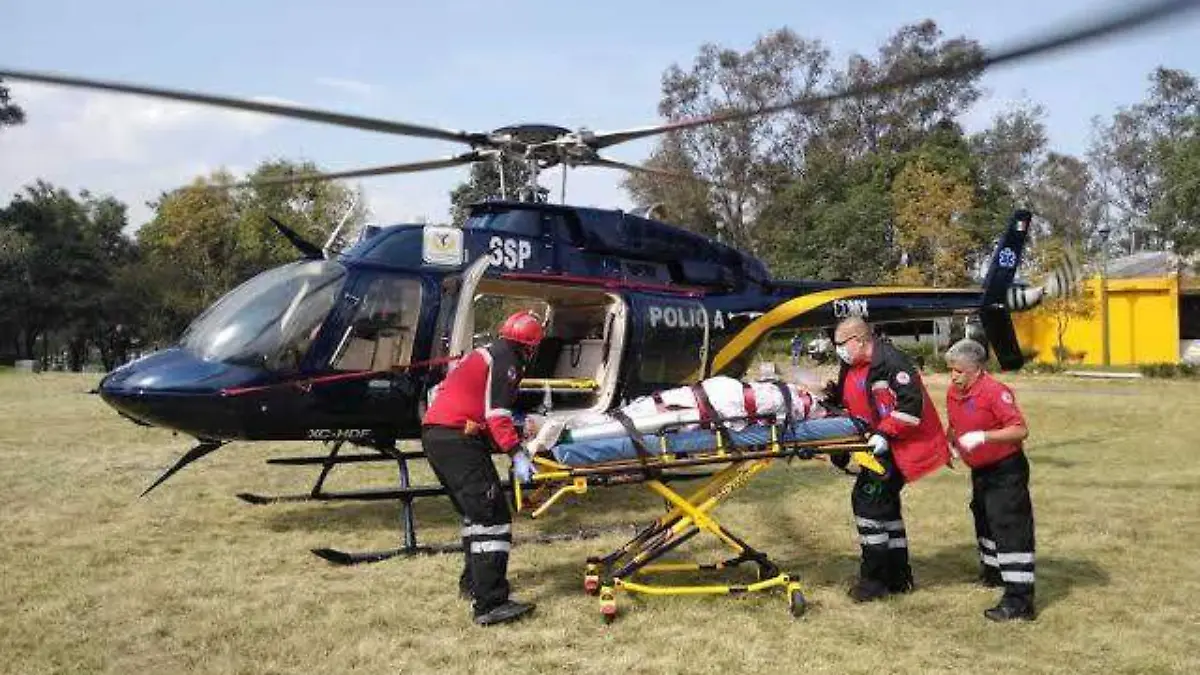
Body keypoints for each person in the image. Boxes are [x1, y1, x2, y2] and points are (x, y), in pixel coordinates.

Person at [420, 310, 544, 626]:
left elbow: (468, 405)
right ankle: (490, 604)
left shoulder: (485, 353)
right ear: (530, 346)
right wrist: (517, 452)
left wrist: (507, 439)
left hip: (438, 435)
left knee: (475, 514)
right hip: (458, 439)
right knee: (493, 518)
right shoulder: (507, 360)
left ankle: (473, 584)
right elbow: (497, 415)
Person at [824, 316, 951, 602]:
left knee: (867, 504)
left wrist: (883, 433)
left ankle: (874, 582)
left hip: (898, 446)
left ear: (859, 339)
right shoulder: (851, 365)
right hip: (876, 446)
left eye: (841, 344)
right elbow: (850, 400)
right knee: (886, 510)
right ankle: (898, 577)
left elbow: (910, 409)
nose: (839, 351)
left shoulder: (894, 363)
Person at [943, 338, 1036, 621]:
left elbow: (1020, 430)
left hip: (1005, 469)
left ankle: (1019, 600)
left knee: (1009, 526)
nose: (953, 376)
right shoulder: (954, 392)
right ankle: (993, 573)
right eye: (951, 370)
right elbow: (955, 424)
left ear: (976, 369)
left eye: (958, 371)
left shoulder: (995, 392)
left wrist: (984, 436)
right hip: (980, 470)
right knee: (984, 520)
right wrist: (952, 445)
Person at [525, 374, 827, 452]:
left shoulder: (788, 396)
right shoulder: (795, 400)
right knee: (620, 422)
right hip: (691, 408)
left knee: (621, 420)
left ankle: (552, 430)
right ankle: (553, 431)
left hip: (689, 406)